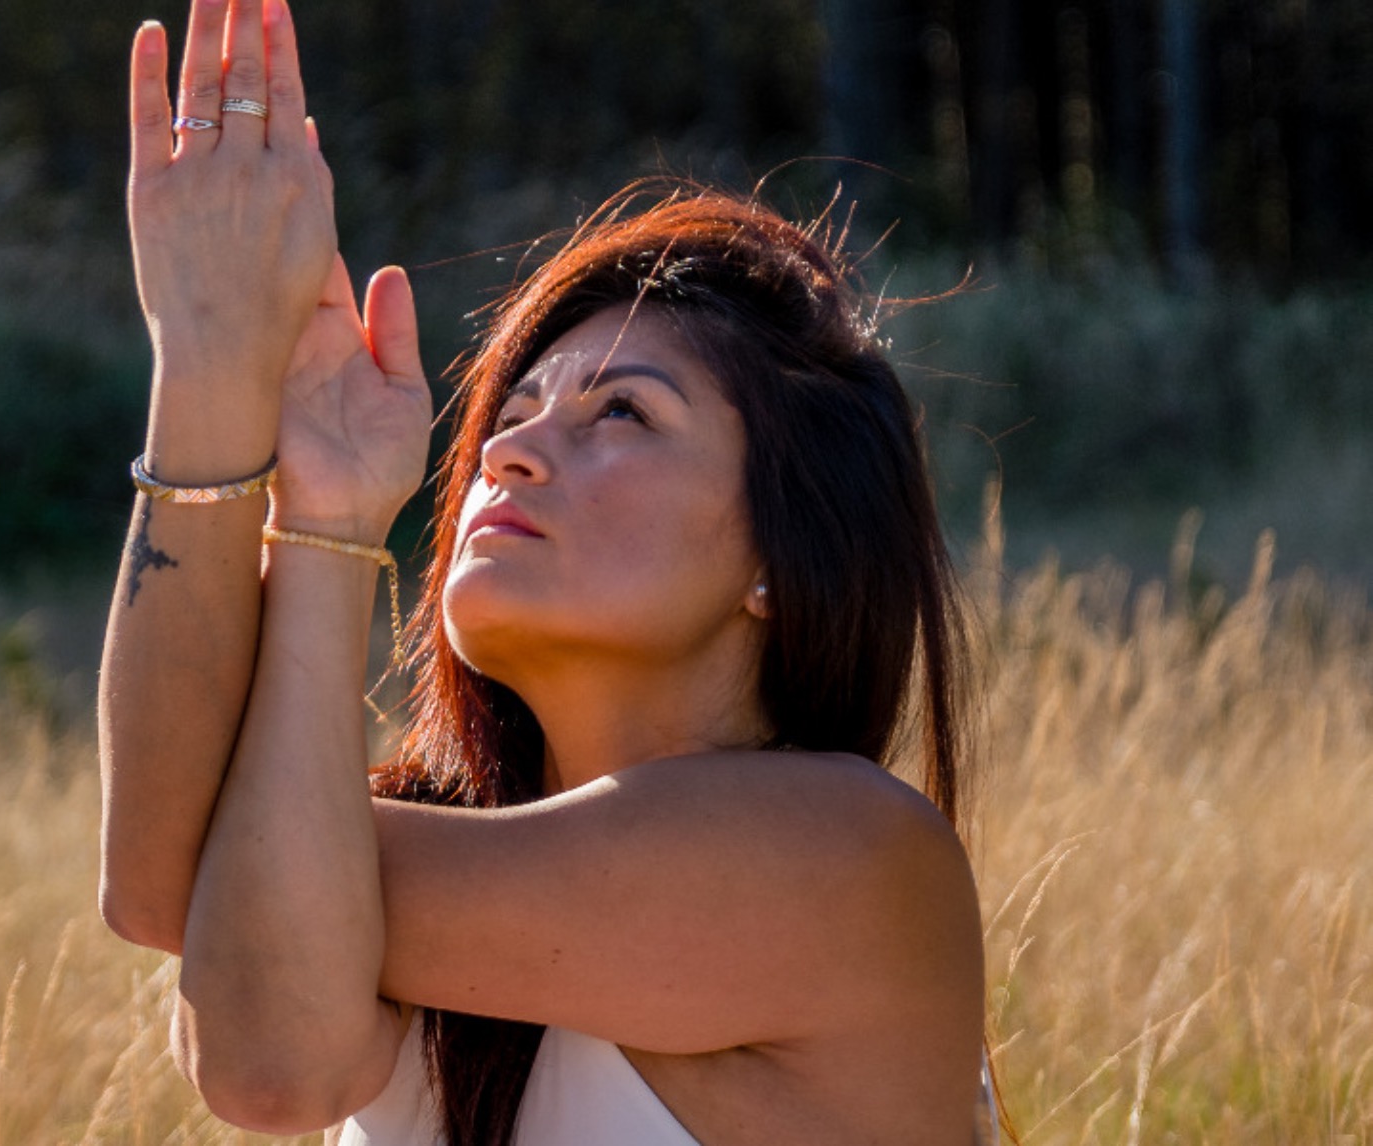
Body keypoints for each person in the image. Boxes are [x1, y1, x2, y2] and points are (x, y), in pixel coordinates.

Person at [97, 1, 1004, 1142]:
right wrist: (305, 496)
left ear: (784, 556)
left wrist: (218, 361)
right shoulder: (395, 839)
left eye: (623, 412)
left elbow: (178, 879)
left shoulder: (850, 856)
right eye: (515, 411)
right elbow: (267, 1060)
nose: (509, 451)